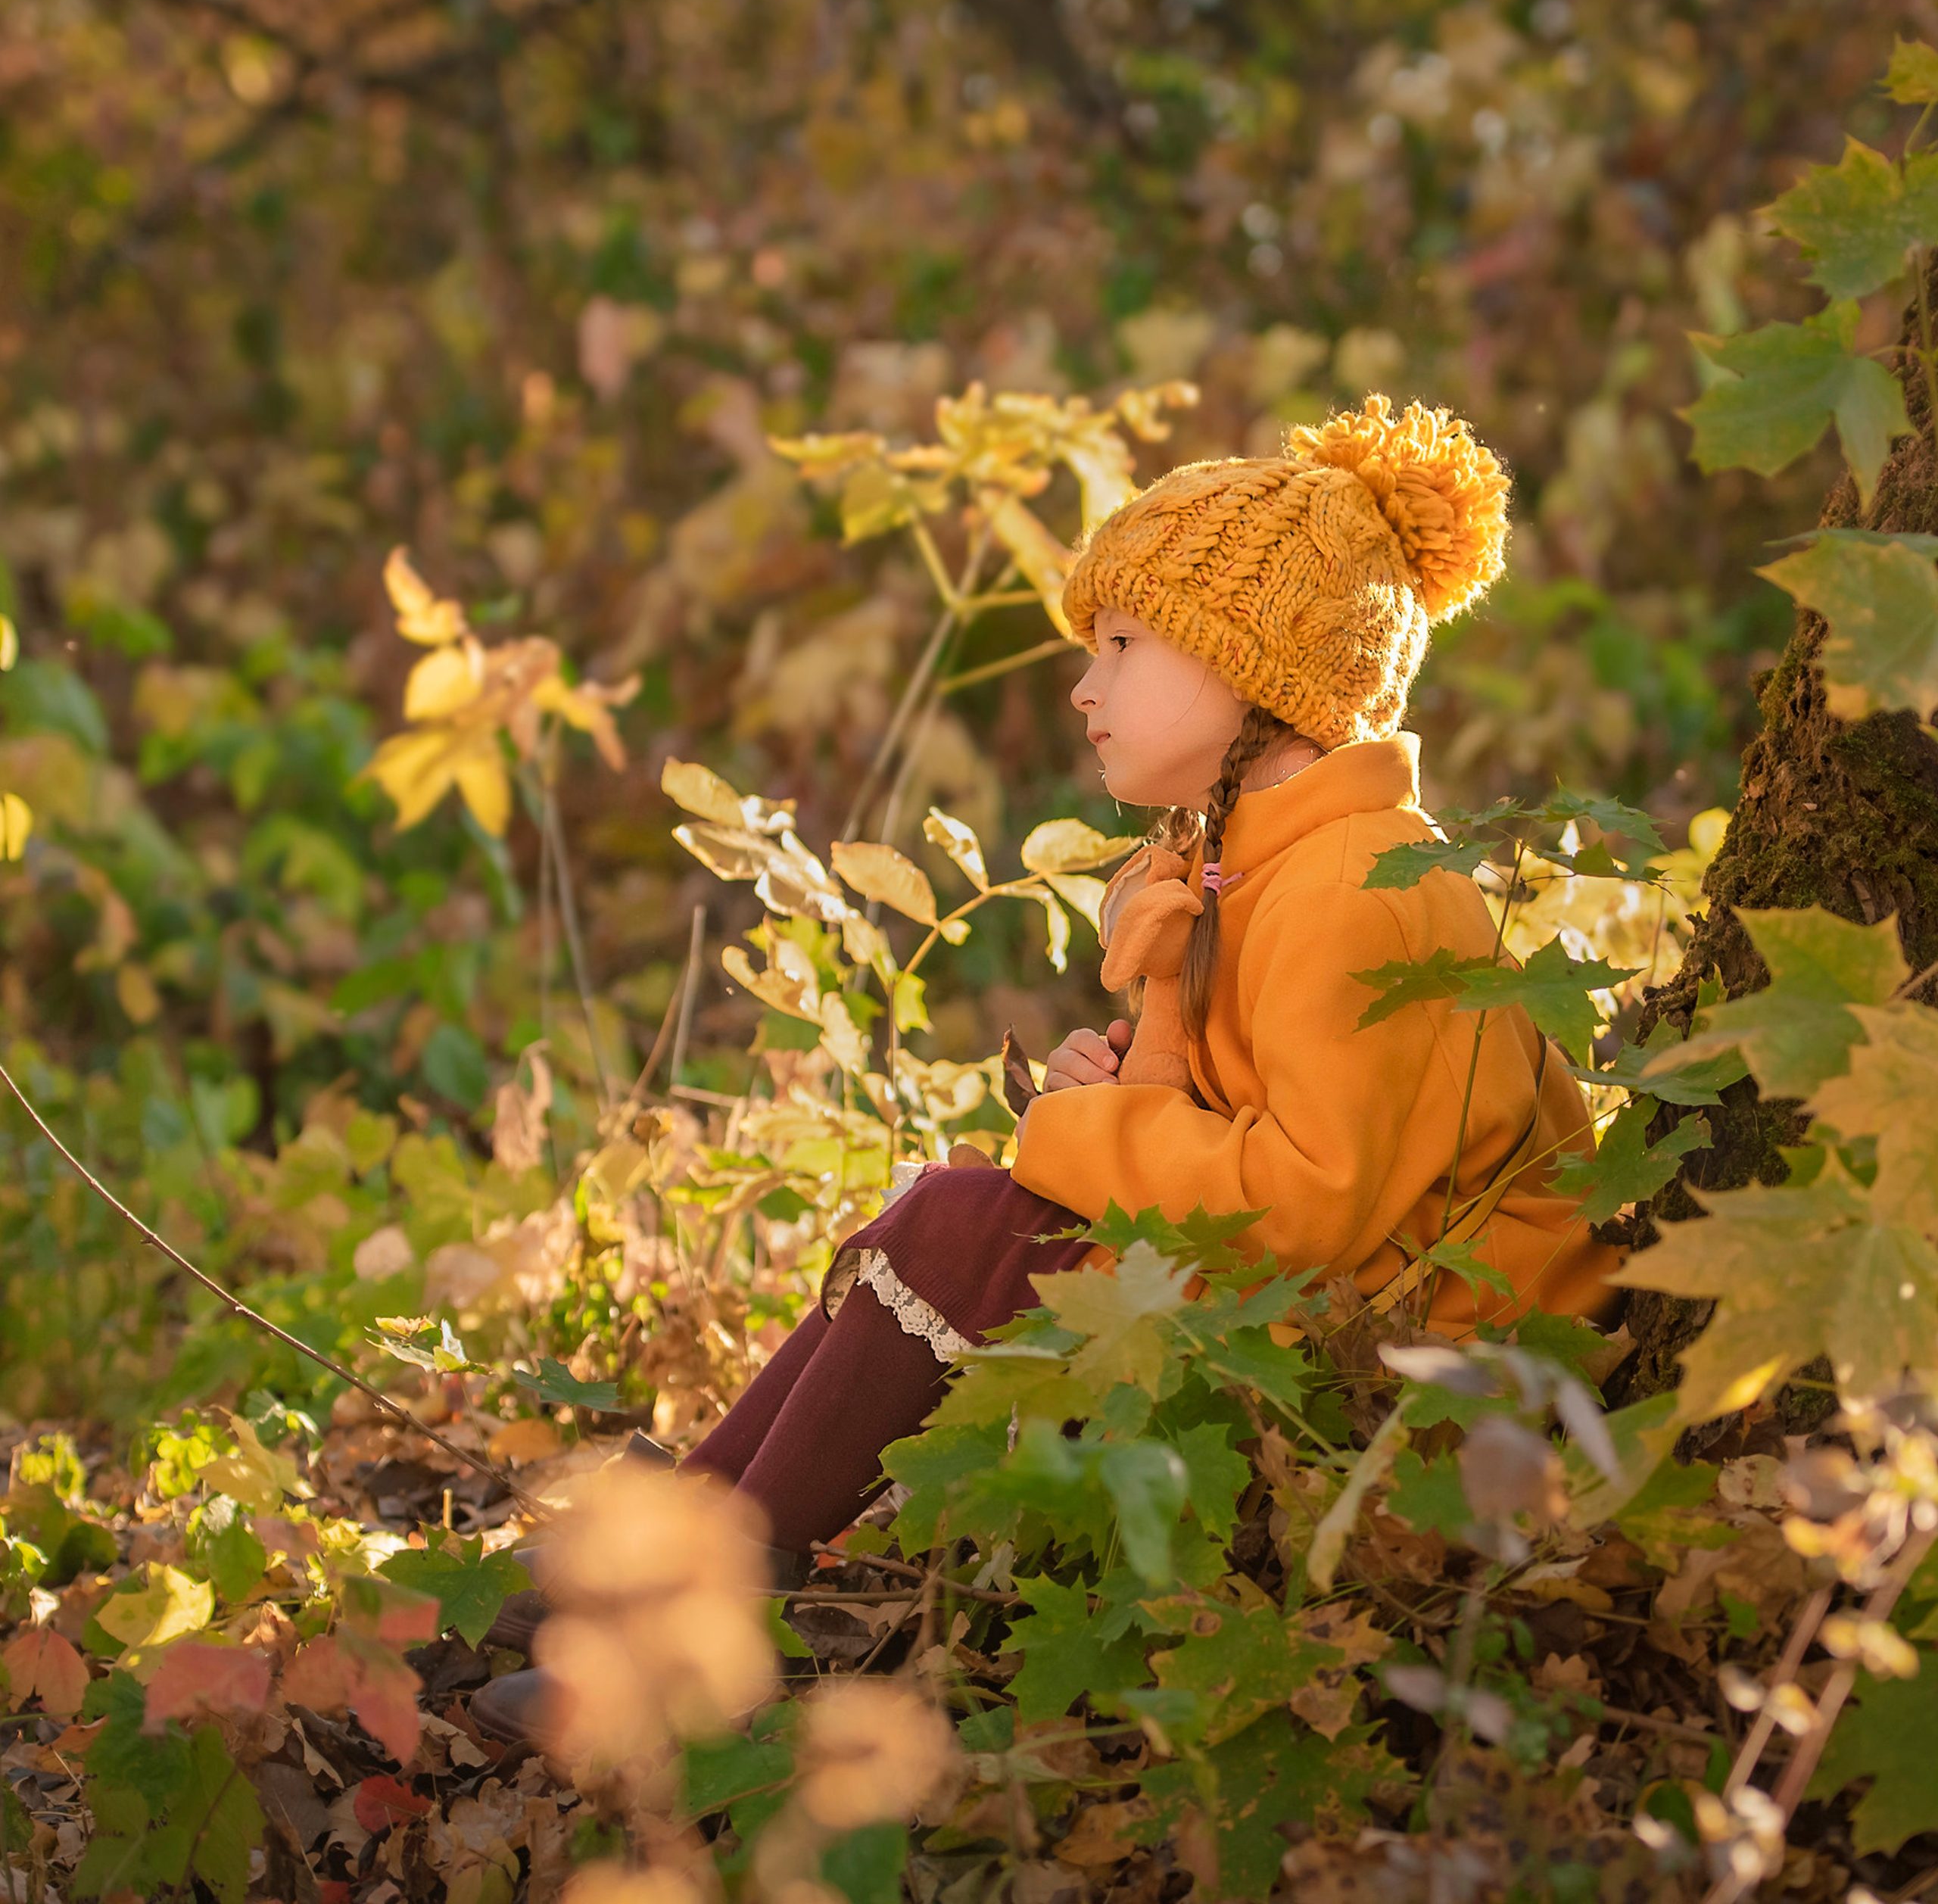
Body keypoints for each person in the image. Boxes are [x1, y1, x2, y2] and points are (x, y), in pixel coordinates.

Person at [469, 394, 1617, 1742]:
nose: (1086, 686)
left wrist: (1081, 1135)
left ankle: (704, 1613)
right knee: (956, 1209)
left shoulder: (1354, 889)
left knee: (972, 1215)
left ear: (1258, 669)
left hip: (1442, 1367)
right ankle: (684, 1555)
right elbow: (1249, 1142)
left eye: (1125, 645)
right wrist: (1137, 1062)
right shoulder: (1258, 863)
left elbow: (1311, 1199)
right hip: (1351, 1292)